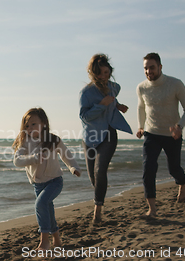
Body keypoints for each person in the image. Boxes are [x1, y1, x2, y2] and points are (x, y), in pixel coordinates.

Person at [13, 107, 81, 251]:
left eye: (33, 124)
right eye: (27, 125)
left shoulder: (53, 140)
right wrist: (33, 158)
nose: (30, 128)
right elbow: (17, 161)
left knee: (40, 204)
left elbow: (65, 155)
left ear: (43, 123)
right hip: (38, 184)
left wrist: (73, 168)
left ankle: (44, 242)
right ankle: (56, 238)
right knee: (47, 210)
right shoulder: (24, 142)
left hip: (55, 181)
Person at [136, 52, 185, 217]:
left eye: (152, 68)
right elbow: (141, 107)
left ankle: (182, 183)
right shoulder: (141, 87)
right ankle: (152, 209)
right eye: (145, 68)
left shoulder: (175, 84)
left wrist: (179, 126)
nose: (148, 72)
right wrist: (140, 126)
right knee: (148, 168)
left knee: (174, 169)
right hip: (151, 133)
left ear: (160, 67)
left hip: (172, 134)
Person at [79, 54, 132, 224]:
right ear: (93, 74)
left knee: (100, 170)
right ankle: (100, 196)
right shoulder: (86, 93)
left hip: (108, 133)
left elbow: (112, 99)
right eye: (100, 73)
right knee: (93, 177)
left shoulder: (114, 87)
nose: (104, 76)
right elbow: (84, 116)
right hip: (91, 136)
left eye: (107, 72)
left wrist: (118, 105)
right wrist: (101, 105)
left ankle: (97, 212)